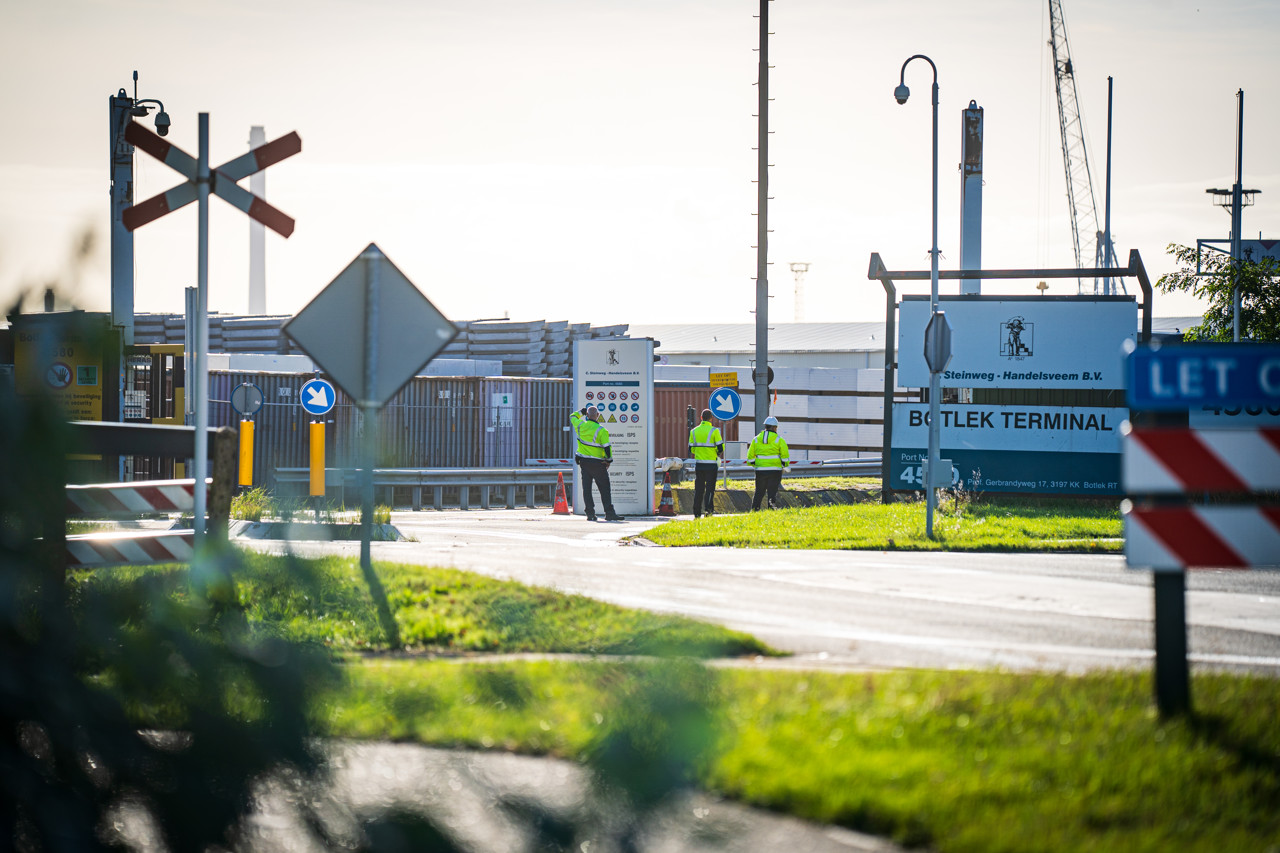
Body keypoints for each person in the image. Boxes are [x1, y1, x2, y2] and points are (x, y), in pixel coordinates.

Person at [570, 405, 624, 522]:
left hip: (584, 462)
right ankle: (609, 513)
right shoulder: (602, 430)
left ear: (587, 416)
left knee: (587, 489)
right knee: (604, 488)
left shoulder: (580, 425)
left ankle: (590, 514)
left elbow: (572, 416)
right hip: (598, 464)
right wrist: (608, 460)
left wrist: (582, 412)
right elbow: (607, 448)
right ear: (598, 416)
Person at [747, 415, 790, 510]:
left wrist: (756, 464)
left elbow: (750, 457)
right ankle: (771, 510)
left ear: (765, 426)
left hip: (760, 470)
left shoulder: (756, 439)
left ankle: (754, 510)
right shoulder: (779, 440)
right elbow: (785, 456)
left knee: (759, 492)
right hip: (775, 470)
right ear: (774, 427)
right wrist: (784, 465)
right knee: (772, 492)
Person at [687, 408, 724, 519]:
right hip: (711, 465)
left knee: (699, 489)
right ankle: (708, 510)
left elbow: (691, 449)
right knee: (710, 489)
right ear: (711, 419)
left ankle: (697, 512)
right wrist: (716, 454)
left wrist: (699, 453)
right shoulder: (714, 431)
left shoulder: (693, 431)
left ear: (701, 418)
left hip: (699, 465)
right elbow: (720, 448)